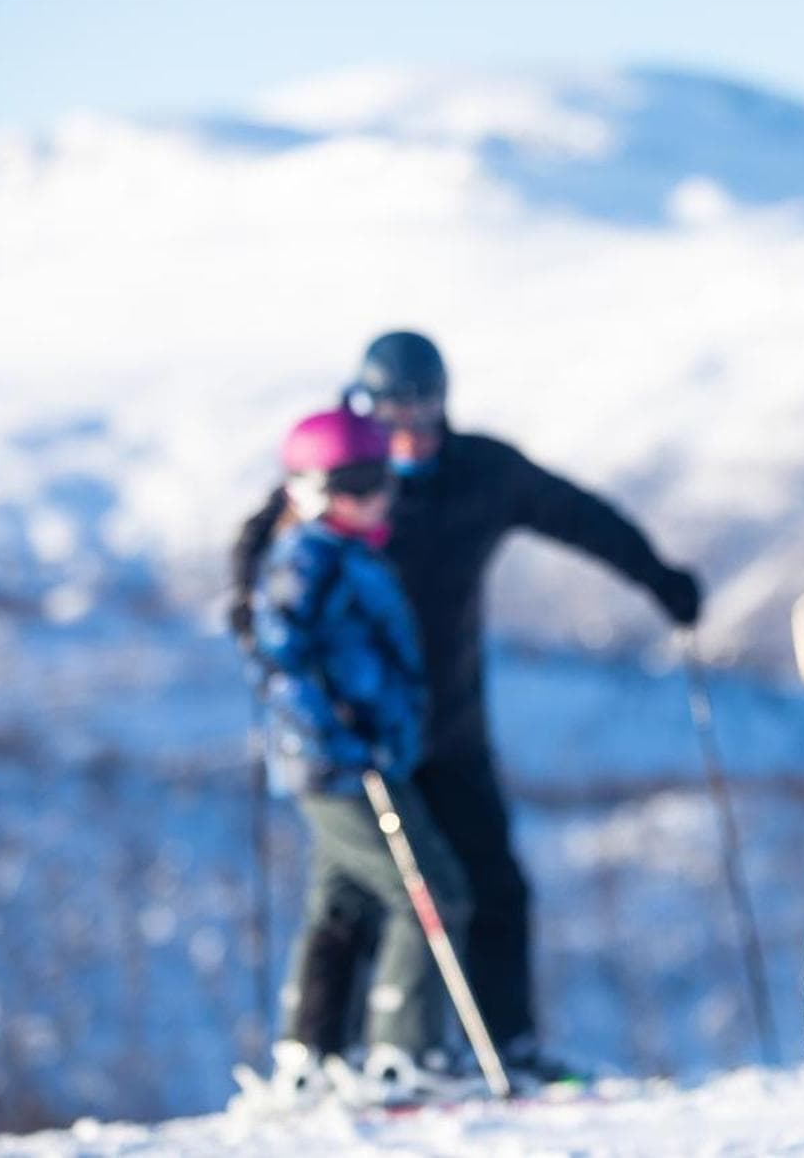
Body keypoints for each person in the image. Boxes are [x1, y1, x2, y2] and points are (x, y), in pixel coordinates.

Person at [234, 330, 704, 1085]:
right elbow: (268, 565)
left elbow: (578, 515)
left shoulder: (480, 473)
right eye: (392, 413)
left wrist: (659, 578)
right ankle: (336, 1056)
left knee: (489, 885)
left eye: (424, 410)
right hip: (357, 734)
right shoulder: (341, 481)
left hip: (448, 724)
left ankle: (500, 1048)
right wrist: (263, 643)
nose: (409, 430)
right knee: (368, 894)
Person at [245, 407, 473, 1104]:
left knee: (343, 901)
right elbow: (280, 661)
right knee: (431, 891)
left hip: (352, 760)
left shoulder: (347, 554)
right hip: (342, 765)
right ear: (311, 489)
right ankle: (405, 1051)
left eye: (381, 479)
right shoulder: (308, 558)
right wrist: (341, 733)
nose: (377, 495)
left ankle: (311, 1052)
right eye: (356, 483)